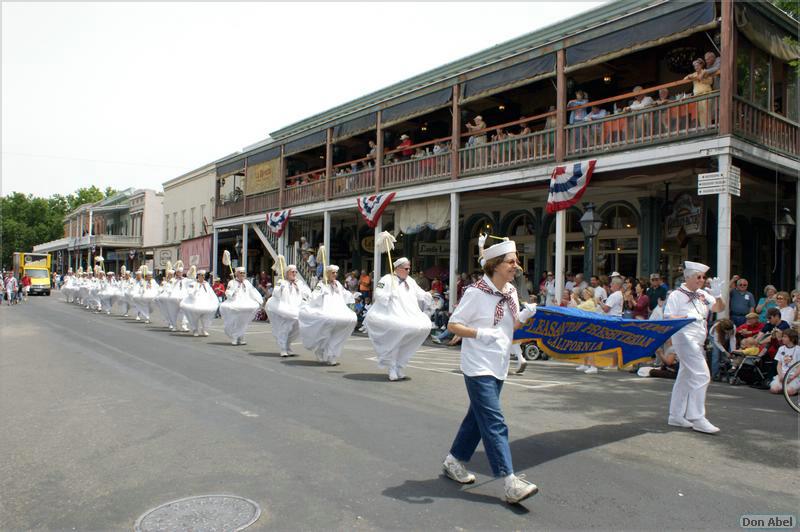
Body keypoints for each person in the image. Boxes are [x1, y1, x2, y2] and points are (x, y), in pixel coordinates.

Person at [441, 238, 539, 504]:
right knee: (494, 421)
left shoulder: (510, 292)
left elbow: (512, 327)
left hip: (499, 364)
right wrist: (480, 333)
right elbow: (453, 324)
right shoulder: (475, 292)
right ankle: (509, 482)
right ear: (495, 265)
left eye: (516, 260)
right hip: (477, 366)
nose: (516, 265)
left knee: (477, 418)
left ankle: (453, 461)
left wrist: (525, 316)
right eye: (511, 261)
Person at [664, 261, 726, 434]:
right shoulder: (676, 295)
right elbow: (668, 316)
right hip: (684, 337)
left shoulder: (703, 295)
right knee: (702, 375)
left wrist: (718, 295)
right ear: (688, 277)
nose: (701, 280)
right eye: (698, 277)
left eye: (703, 277)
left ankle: (675, 415)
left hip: (698, 340)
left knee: (685, 376)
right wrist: (685, 316)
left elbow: (719, 308)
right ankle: (696, 417)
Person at [365, 257, 434, 381]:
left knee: (419, 331)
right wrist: (389, 294)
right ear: (398, 268)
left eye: (409, 268)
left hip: (409, 314)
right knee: (395, 339)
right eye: (406, 269)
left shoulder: (410, 281)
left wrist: (427, 295)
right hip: (392, 314)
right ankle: (392, 367)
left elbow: (419, 293)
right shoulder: (387, 279)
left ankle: (400, 366)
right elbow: (378, 294)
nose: (408, 271)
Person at [298, 265, 357, 365]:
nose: (335, 275)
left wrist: (352, 295)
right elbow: (313, 297)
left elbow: (344, 293)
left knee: (348, 323)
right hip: (326, 311)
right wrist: (322, 293)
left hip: (339, 311)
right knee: (325, 334)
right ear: (328, 274)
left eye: (335, 273)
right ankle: (320, 351)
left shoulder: (337, 283)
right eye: (333, 273)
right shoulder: (321, 284)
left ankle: (332, 355)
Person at [266, 264, 311, 357]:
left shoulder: (299, 283)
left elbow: (307, 293)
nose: (294, 273)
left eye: (295, 272)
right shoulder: (281, 282)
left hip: (296, 309)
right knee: (285, 329)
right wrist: (280, 289)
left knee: (296, 329)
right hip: (285, 309)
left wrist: (308, 297)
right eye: (292, 272)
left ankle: (288, 345)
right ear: (287, 273)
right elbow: (275, 294)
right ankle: (283, 348)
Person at [220, 266, 264, 346]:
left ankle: (241, 337)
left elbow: (253, 292)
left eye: (244, 273)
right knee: (236, 321)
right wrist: (233, 292)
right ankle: (235, 337)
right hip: (235, 304)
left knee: (243, 322)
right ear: (236, 274)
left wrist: (260, 300)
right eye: (241, 273)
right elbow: (227, 292)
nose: (242, 274)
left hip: (246, 303)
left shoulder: (247, 282)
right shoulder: (231, 282)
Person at [180, 269, 218, 337]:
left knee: (206, 317)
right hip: (195, 302)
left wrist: (213, 300)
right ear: (198, 276)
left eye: (204, 275)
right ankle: (195, 329)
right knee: (194, 317)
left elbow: (211, 293)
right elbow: (189, 292)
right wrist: (194, 291)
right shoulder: (193, 283)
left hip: (205, 302)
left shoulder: (206, 284)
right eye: (202, 275)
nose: (203, 277)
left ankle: (204, 329)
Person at [770, 329, 800, 395]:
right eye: (783, 336)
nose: (782, 338)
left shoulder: (798, 350)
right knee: (774, 389)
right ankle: (783, 388)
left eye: (785, 337)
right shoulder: (781, 348)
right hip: (783, 374)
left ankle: (794, 389)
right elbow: (779, 364)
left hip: (793, 376)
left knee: (789, 391)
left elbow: (799, 367)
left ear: (792, 339)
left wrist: (792, 377)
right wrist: (780, 375)